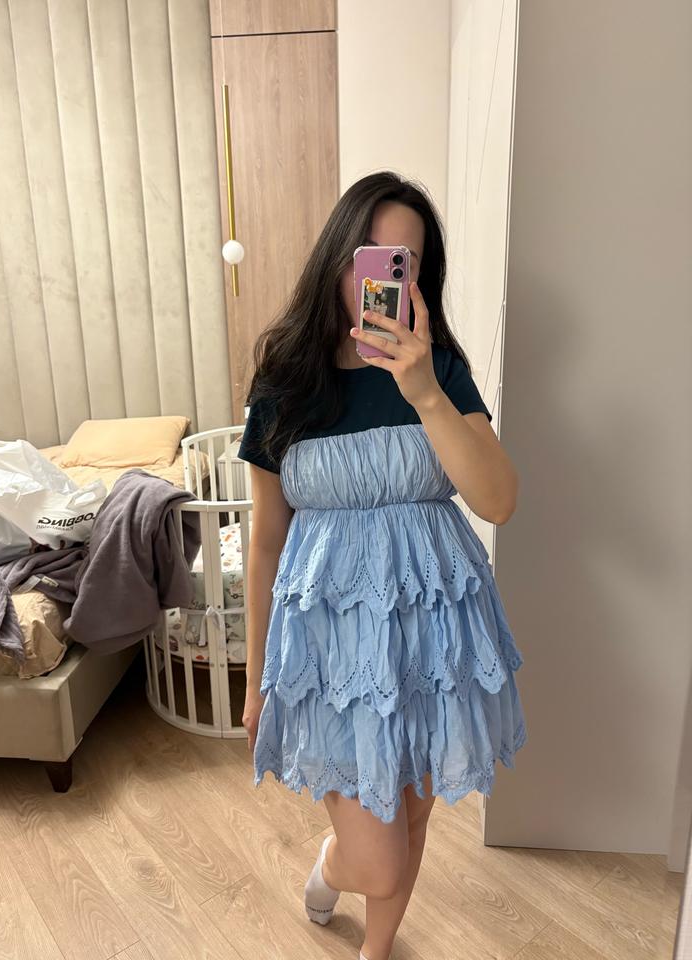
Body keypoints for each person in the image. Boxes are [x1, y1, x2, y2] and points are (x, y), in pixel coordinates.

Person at [237, 171, 527, 960]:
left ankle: (376, 951)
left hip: (435, 630)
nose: (387, 277)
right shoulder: (285, 378)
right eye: (373, 254)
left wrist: (425, 392)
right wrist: (258, 678)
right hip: (334, 642)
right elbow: (266, 540)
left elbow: (498, 500)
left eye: (408, 262)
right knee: (376, 856)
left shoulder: (438, 370)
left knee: (414, 815)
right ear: (339, 256)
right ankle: (333, 868)